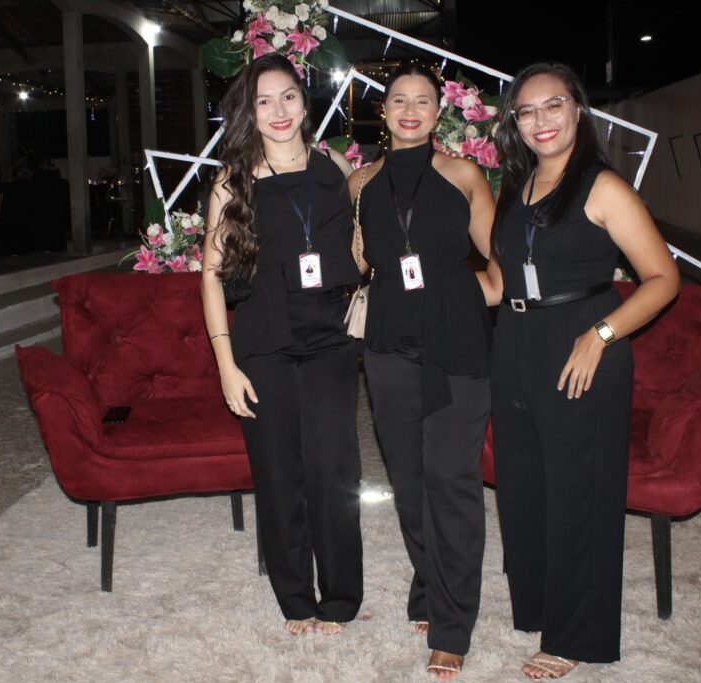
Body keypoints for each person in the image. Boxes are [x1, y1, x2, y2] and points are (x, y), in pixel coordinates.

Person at [476, 62, 680, 679]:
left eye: (553, 105)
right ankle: (541, 607)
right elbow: (500, 282)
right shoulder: (517, 185)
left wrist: (601, 335)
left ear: (577, 111)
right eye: (527, 111)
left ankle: (575, 637)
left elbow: (663, 279)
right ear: (514, 122)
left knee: (577, 495)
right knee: (523, 489)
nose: (541, 120)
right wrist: (431, 287)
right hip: (515, 344)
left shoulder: (603, 186)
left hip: (582, 346)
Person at [200, 53, 363, 636]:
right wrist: (225, 364)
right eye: (263, 101)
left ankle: (340, 597)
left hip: (329, 338)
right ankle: (295, 598)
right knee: (277, 473)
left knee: (332, 469)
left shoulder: (335, 166)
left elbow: (358, 244)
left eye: (288, 96)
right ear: (250, 111)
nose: (278, 111)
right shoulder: (232, 181)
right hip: (263, 339)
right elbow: (211, 278)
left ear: (304, 100)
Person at [348, 63, 495, 679]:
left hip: (457, 345)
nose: (410, 111)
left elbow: (500, 261)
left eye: (424, 101)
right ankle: (430, 585)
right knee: (409, 482)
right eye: (399, 100)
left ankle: (452, 625)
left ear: (439, 113)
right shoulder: (360, 182)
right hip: (387, 347)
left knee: (451, 481)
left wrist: (466, 298)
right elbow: (361, 261)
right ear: (383, 112)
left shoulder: (463, 175)